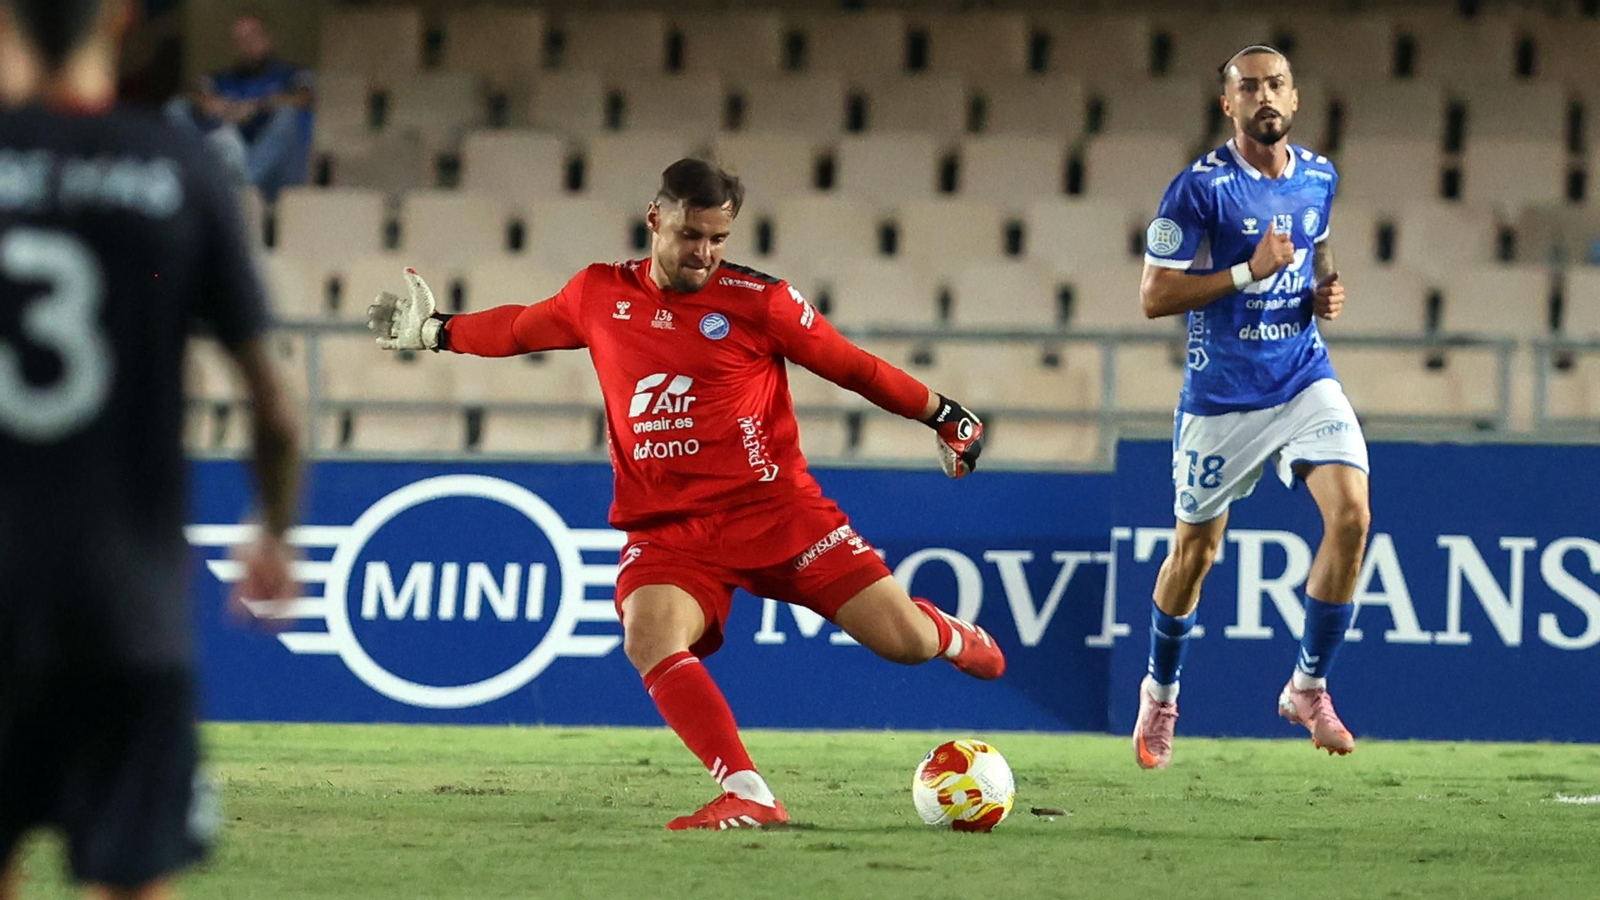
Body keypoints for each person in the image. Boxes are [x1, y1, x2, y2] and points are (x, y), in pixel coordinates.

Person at [368, 158, 1002, 830]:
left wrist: (945, 415)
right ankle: (750, 793)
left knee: (902, 642)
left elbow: (854, 367)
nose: (704, 252)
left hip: (775, 511)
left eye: (718, 239)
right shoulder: (598, 294)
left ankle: (945, 632)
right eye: (690, 235)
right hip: (670, 529)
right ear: (655, 219)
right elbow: (521, 328)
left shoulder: (760, 302)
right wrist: (437, 331)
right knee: (649, 635)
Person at [0, 1, 302, 897]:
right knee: (134, 879)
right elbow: (275, 407)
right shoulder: (179, 167)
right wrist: (275, 531)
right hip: (126, 608)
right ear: (120, 19)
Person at [1132, 44, 1369, 769]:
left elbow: (1318, 246)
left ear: (1294, 98)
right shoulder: (1198, 189)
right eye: (1249, 87)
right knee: (1194, 556)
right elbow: (1154, 296)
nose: (1264, 96)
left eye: (1276, 84)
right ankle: (1161, 693)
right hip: (1222, 398)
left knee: (1352, 517)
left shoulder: (1320, 174)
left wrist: (1325, 289)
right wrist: (1247, 271)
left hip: (1302, 376)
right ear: (1227, 104)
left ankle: (1308, 687)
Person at [164, 12, 311, 200]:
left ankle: (242, 184)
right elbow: (195, 92)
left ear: (268, 39)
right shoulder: (223, 79)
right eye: (240, 40)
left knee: (288, 113)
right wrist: (219, 106)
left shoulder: (291, 75)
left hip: (276, 176)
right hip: (231, 157)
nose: (247, 45)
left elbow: (305, 97)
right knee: (177, 108)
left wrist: (256, 107)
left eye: (253, 36)